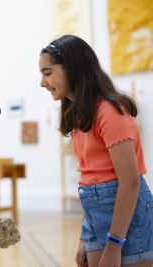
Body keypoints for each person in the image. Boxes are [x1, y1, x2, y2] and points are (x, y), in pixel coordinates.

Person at [39, 34, 153, 267]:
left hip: (129, 219)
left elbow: (130, 182)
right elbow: (91, 182)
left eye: (47, 73)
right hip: (95, 217)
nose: (42, 82)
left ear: (73, 69)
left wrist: (113, 245)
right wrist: (85, 236)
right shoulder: (79, 116)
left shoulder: (110, 111)